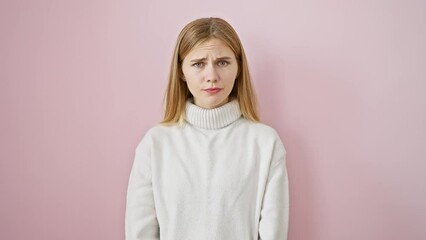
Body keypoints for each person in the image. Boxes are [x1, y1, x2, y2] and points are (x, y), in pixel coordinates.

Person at [125, 17, 289, 240]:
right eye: (198, 64)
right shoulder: (155, 144)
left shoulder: (265, 143)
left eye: (223, 62)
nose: (211, 76)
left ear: (238, 67)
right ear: (181, 71)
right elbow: (140, 234)